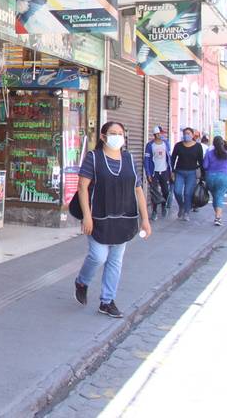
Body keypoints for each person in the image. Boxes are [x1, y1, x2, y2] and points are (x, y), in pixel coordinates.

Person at [74, 121, 152, 319]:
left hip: (123, 218)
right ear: (103, 136)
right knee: (98, 256)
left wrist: (145, 219)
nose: (117, 136)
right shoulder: (93, 157)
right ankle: (82, 281)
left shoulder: (128, 158)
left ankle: (107, 301)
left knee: (115, 261)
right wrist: (87, 217)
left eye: (120, 133)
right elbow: (82, 188)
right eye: (112, 133)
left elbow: (138, 189)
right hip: (98, 218)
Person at [171, 127, 203, 221]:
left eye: (188, 133)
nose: (186, 135)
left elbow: (201, 161)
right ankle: (182, 205)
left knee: (188, 193)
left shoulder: (198, 146)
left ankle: (186, 212)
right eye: (185, 133)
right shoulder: (178, 145)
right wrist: (172, 171)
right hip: (179, 172)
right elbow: (173, 159)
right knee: (177, 191)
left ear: (192, 135)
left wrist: (203, 174)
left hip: (191, 173)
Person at [203, 135, 227, 226]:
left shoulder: (209, 153)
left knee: (215, 197)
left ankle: (217, 215)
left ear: (213, 144)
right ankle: (218, 218)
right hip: (223, 177)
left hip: (211, 177)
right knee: (219, 196)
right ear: (222, 143)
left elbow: (205, 166)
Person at [143, 126, 171, 221]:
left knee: (166, 191)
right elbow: (146, 159)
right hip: (154, 172)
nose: (162, 135)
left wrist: (171, 171)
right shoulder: (150, 145)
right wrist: (148, 173)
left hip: (164, 171)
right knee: (154, 192)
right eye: (160, 133)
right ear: (156, 134)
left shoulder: (166, 144)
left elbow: (169, 158)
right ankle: (154, 211)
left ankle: (164, 204)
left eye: (162, 133)